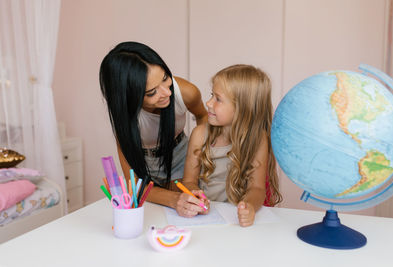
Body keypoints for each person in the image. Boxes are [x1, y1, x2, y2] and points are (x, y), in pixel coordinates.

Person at [99, 41, 208, 211]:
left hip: (182, 158)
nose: (167, 92)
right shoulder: (125, 117)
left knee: (190, 208)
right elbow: (134, 186)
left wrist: (201, 156)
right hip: (145, 167)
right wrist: (174, 199)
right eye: (152, 92)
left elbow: (203, 117)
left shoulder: (186, 92)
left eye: (165, 78)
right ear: (129, 96)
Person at [181, 64, 282, 226]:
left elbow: (257, 188)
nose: (208, 103)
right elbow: (188, 181)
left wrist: (248, 206)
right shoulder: (199, 134)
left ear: (242, 108)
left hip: (235, 221)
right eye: (211, 95)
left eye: (218, 99)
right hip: (205, 218)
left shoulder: (258, 139)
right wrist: (195, 195)